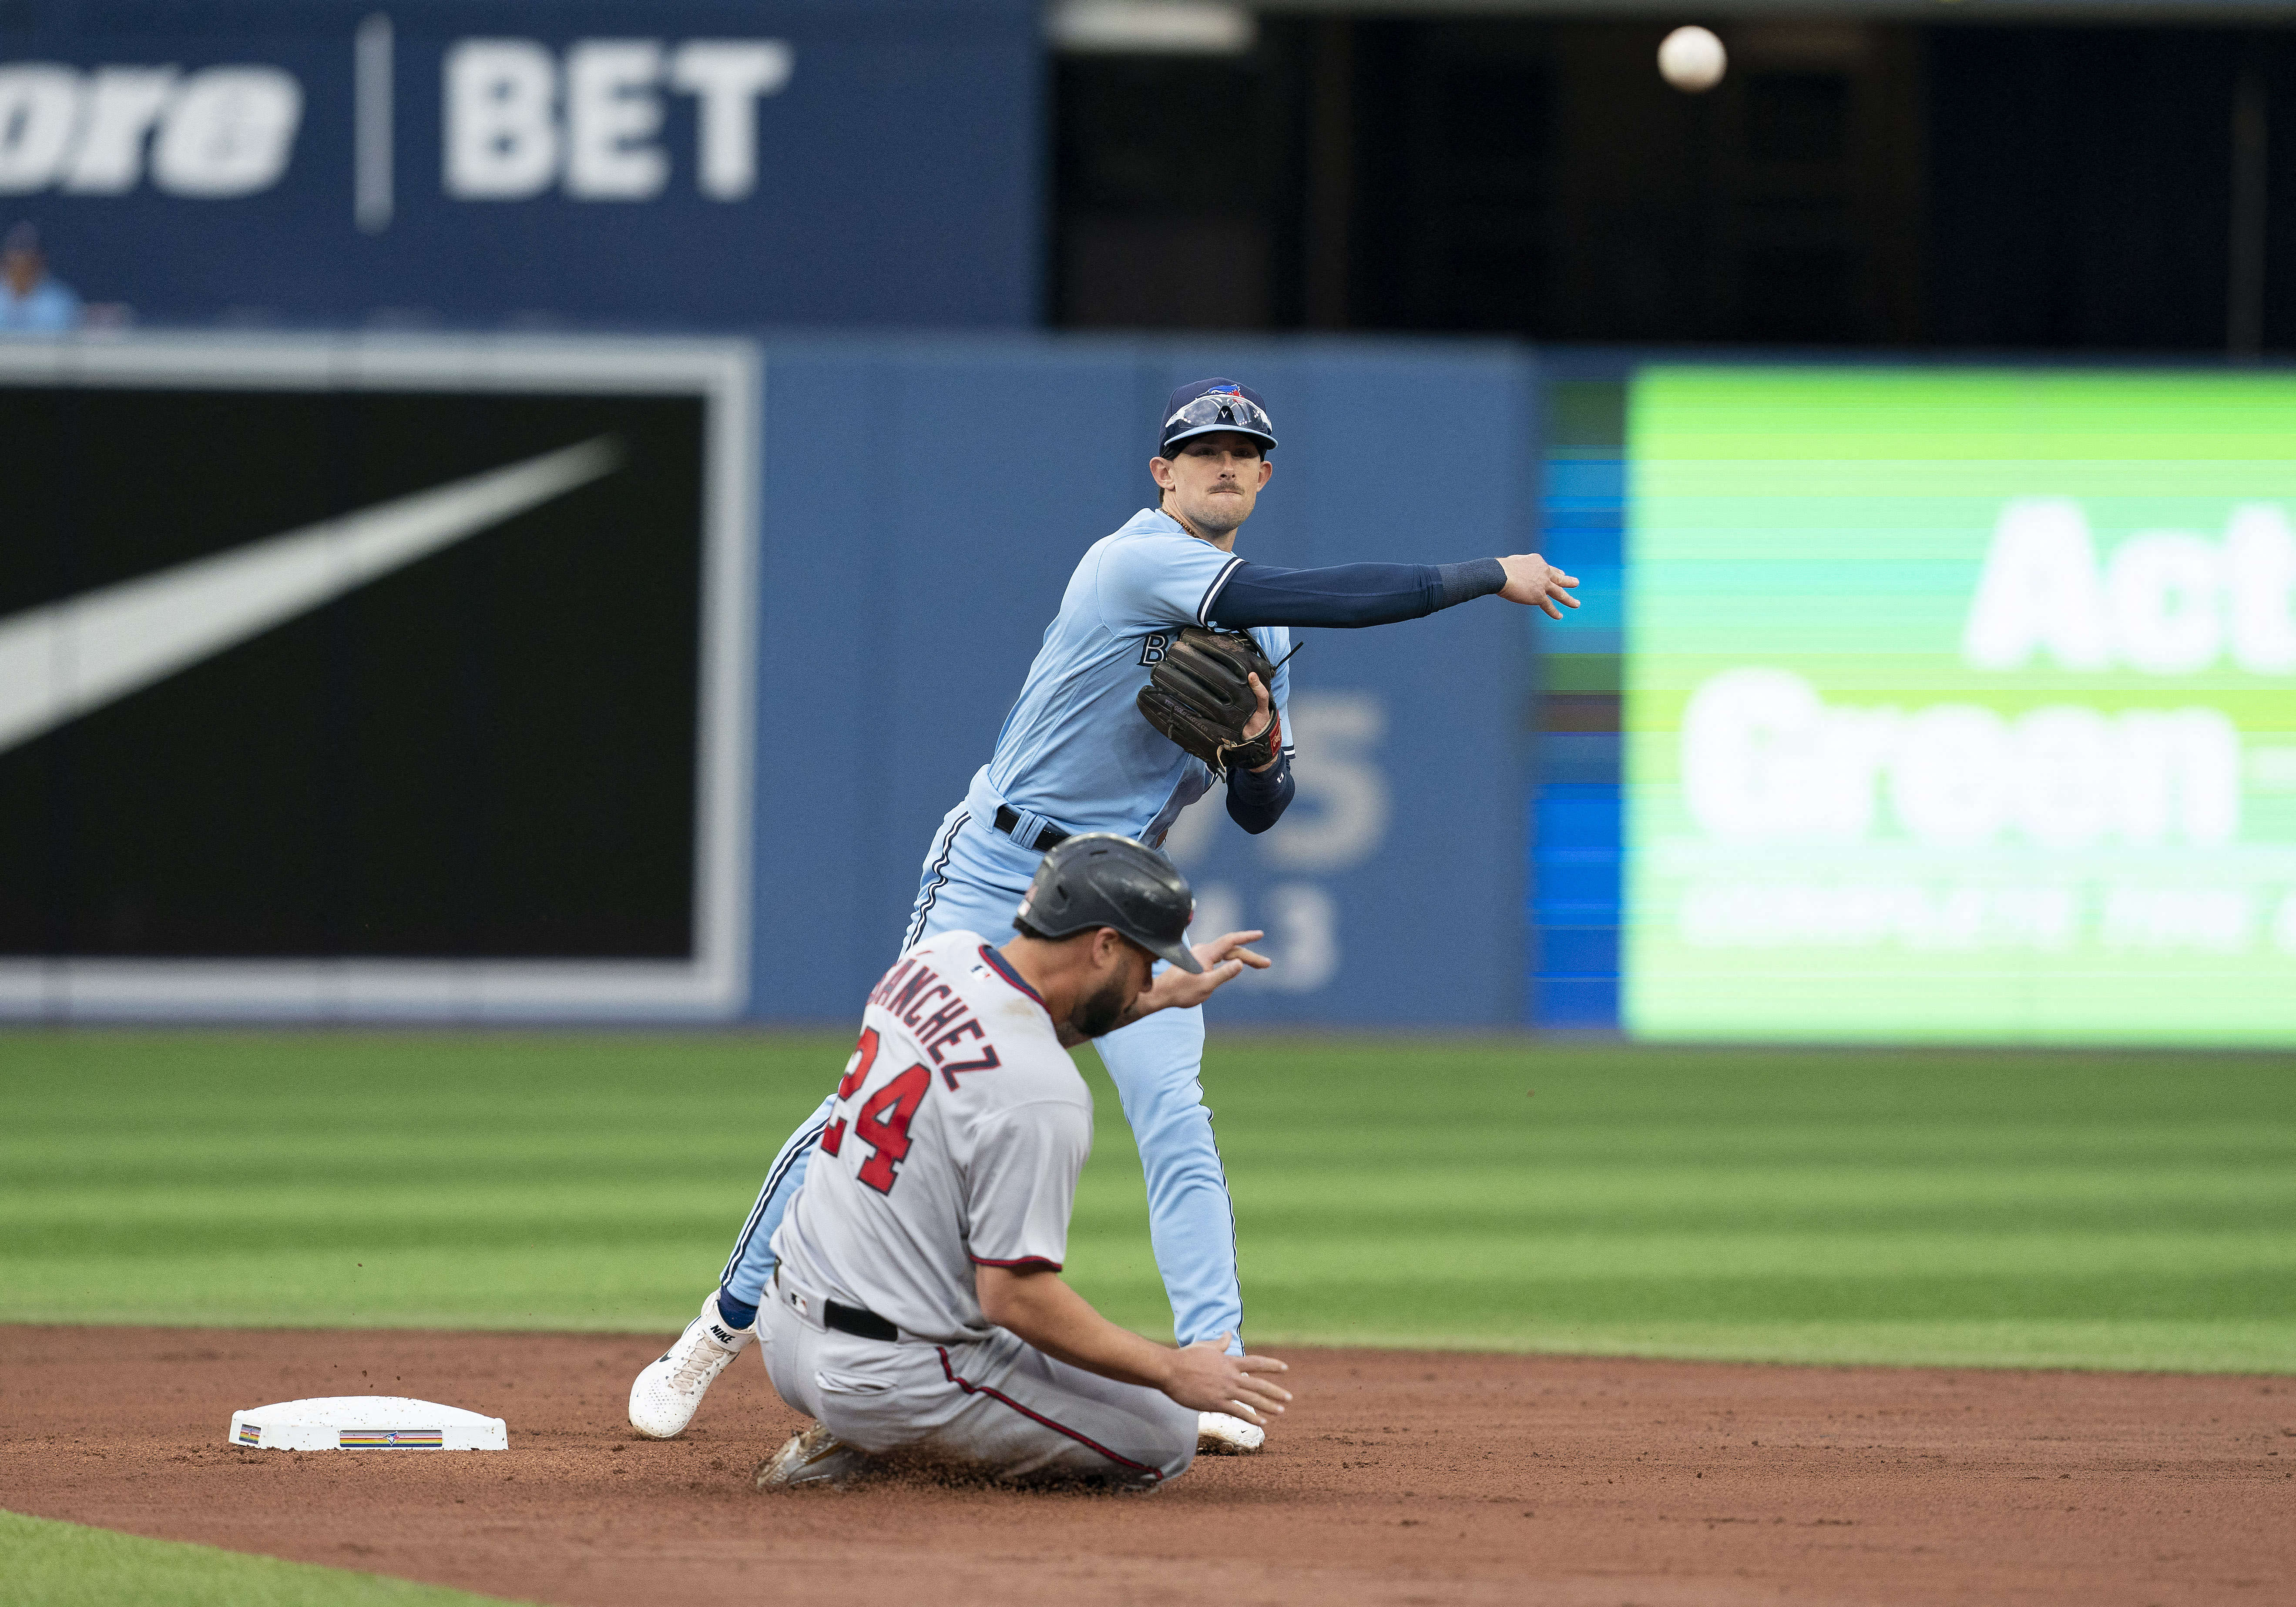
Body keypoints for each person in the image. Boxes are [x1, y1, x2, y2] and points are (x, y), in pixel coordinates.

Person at [631, 376, 1578, 1454]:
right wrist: (1484, 576)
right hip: (998, 865)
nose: (1223, 464)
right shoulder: (1130, 560)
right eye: (1201, 449)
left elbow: (1266, 812)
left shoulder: (1253, 624)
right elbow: (1343, 594)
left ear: (1263, 477)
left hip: (1122, 896)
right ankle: (719, 1325)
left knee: (1175, 1111)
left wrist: (1261, 743)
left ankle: (1212, 1371)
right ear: (1161, 473)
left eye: (1243, 452)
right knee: (876, 1087)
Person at [750, 834, 1292, 1489]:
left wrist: (1151, 1000)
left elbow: (1003, 1044)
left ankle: (868, 1426)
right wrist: (1172, 1369)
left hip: (782, 1326)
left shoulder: (936, 959)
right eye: (1147, 961)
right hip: (886, 1378)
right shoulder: (1046, 1097)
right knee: (1162, 1434)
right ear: (1103, 945)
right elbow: (1014, 1299)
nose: (1150, 978)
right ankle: (871, 1453)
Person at [0, 224, 83, 332]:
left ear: (40, 262)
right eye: (14, 260)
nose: (20, 266)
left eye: (27, 261)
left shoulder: (60, 302)